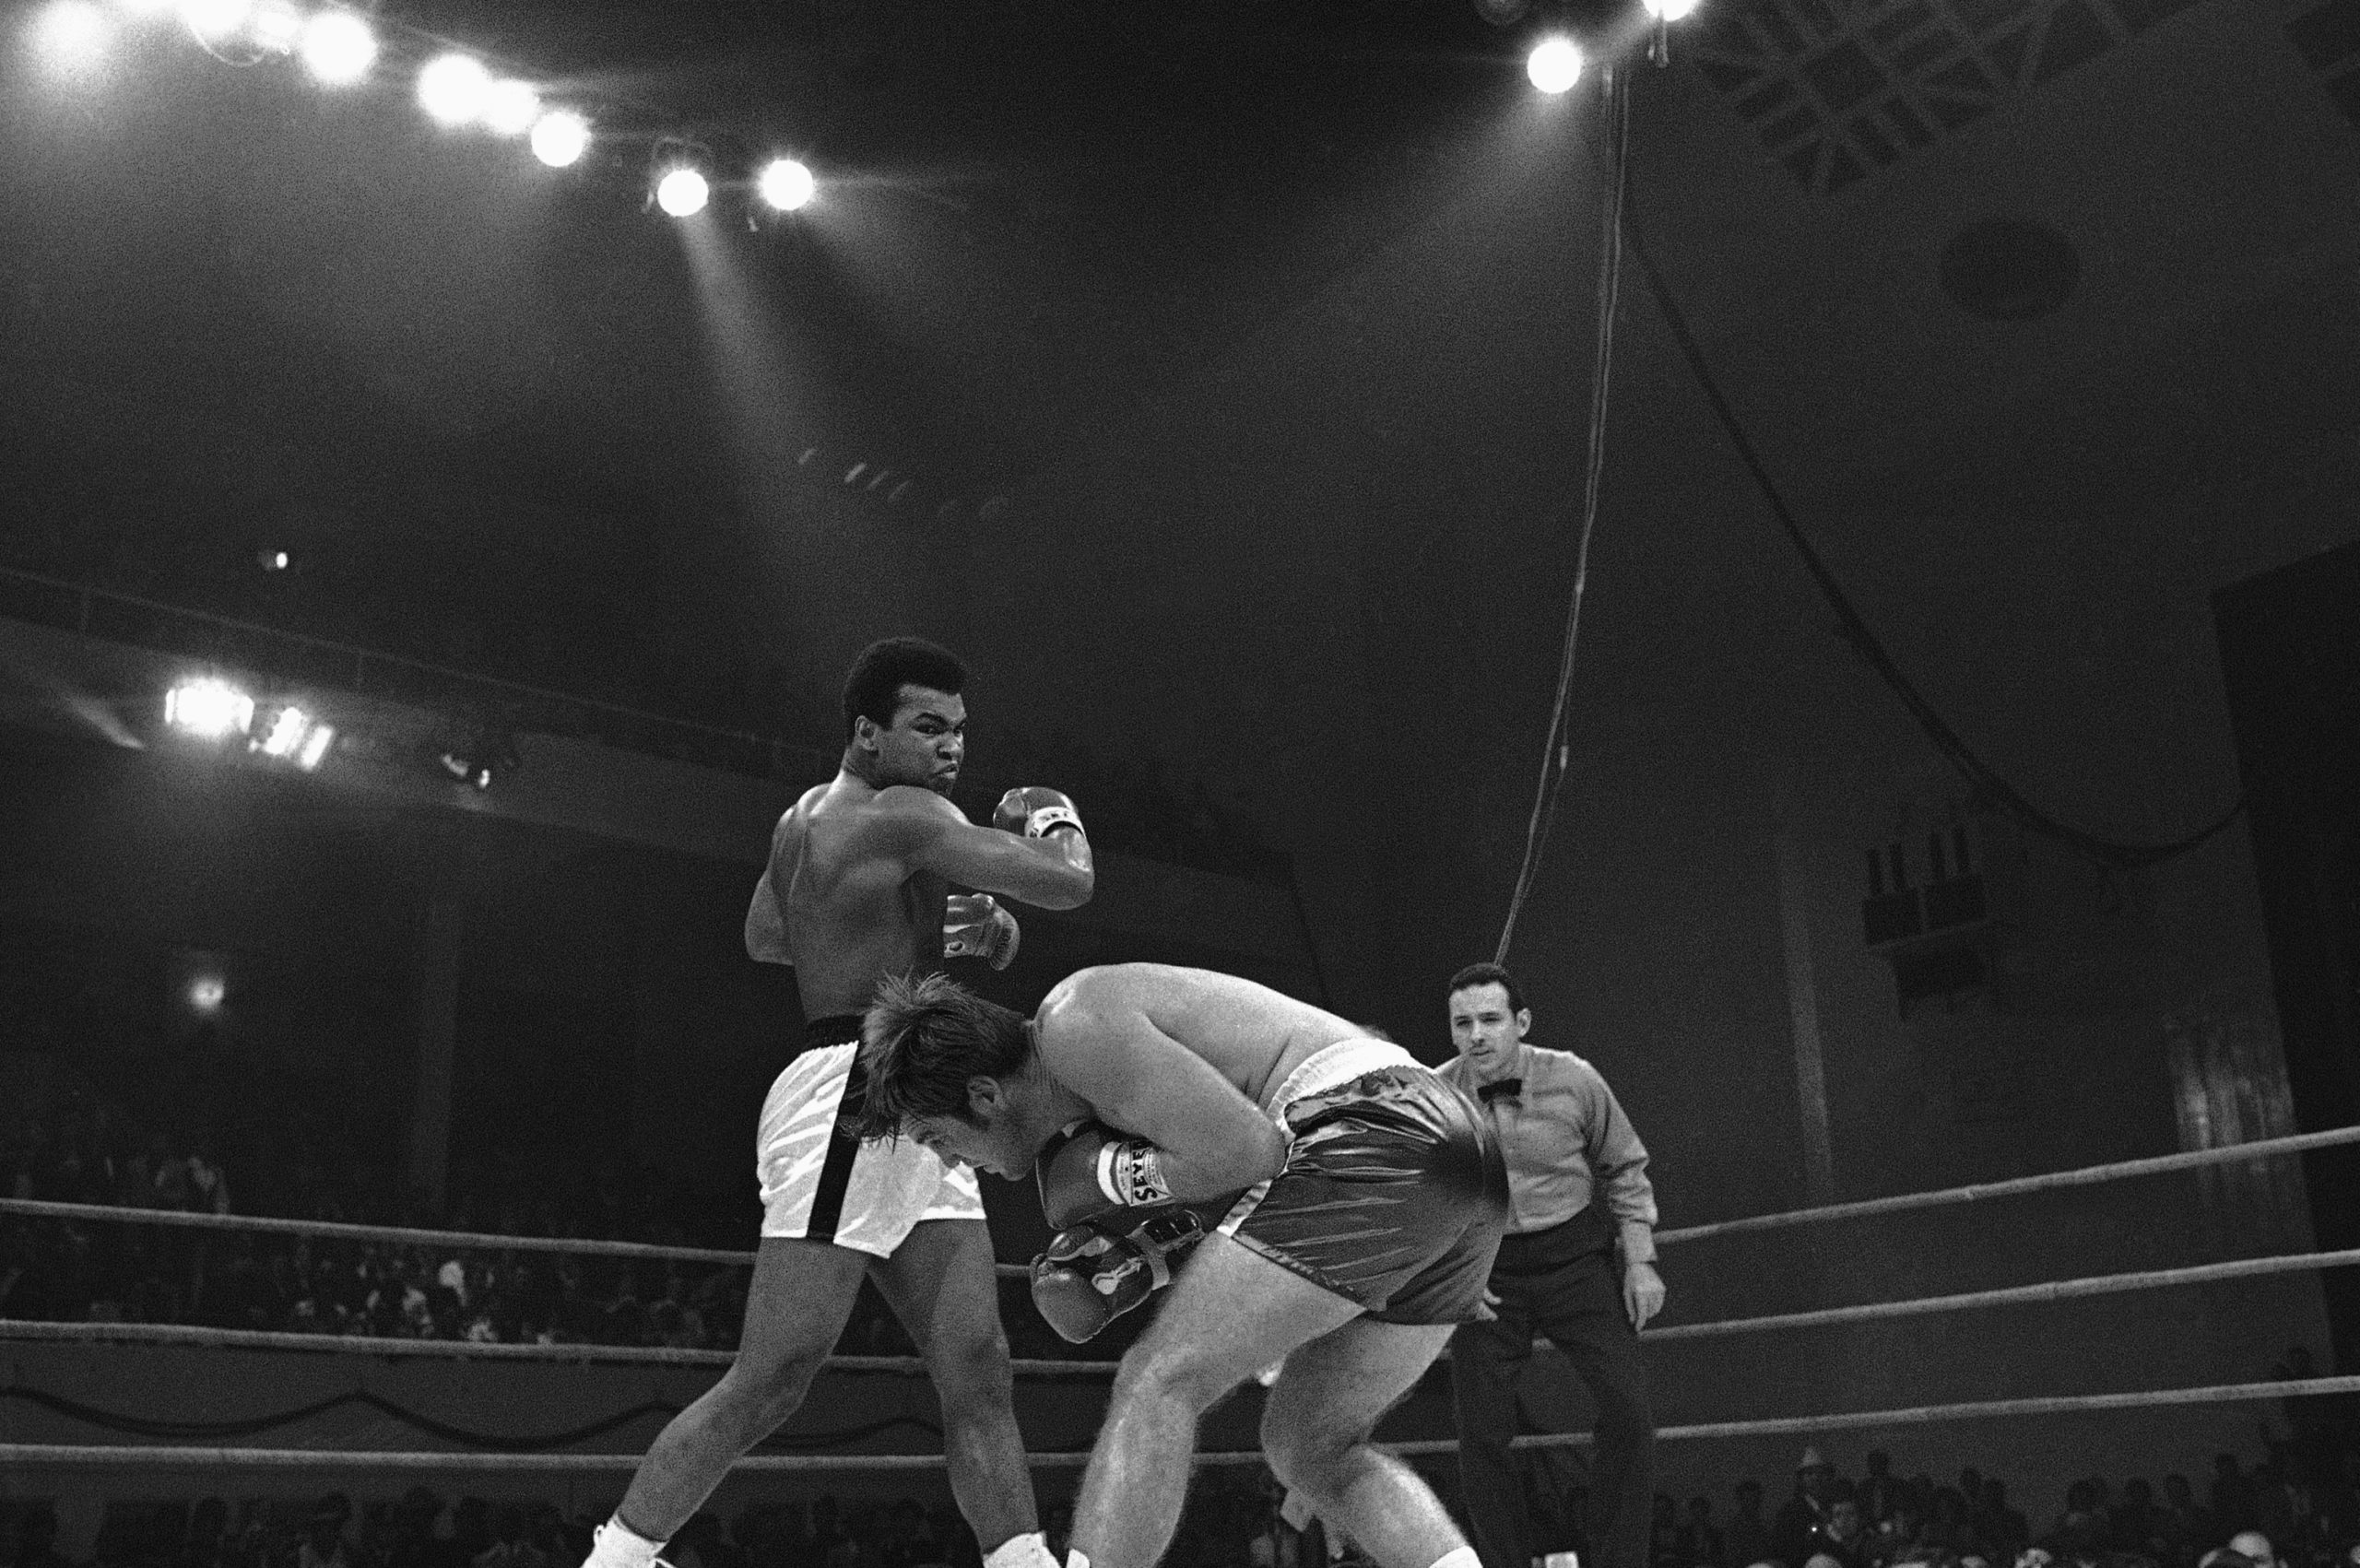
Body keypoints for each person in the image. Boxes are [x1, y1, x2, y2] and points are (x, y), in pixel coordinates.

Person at [584, 637, 1096, 1568]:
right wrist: (1050, 816)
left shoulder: (800, 820)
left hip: (912, 1090)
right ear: (869, 734)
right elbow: (1068, 882)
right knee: (776, 1372)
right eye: (927, 727)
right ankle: (615, 1559)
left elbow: (767, 936)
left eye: (959, 732)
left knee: (978, 1366)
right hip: (859, 1090)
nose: (950, 749)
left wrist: (921, 919)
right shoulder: (906, 812)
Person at [851, 961, 1510, 1568]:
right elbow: (1244, 1171)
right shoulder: (1110, 1088)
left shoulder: (1072, 1023)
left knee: (1156, 1378)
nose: (950, 1162)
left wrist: (1112, 1179)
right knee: (1310, 1447)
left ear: (985, 1093)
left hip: (1373, 1130)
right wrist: (1147, 1250)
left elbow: (1250, 1151)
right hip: (1460, 1164)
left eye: (937, 1138)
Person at [1435, 961, 1663, 1568]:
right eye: (1464, 1023)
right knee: (1481, 1433)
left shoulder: (1575, 1079)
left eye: (1490, 1019)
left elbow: (1623, 1164)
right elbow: (1422, 1198)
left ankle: (1619, 1561)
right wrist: (1453, 1275)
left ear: (1521, 1022)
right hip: (1486, 1268)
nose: (1477, 1034)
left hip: (1576, 1259)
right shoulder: (1434, 1095)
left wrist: (1640, 1259)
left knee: (1627, 1409)